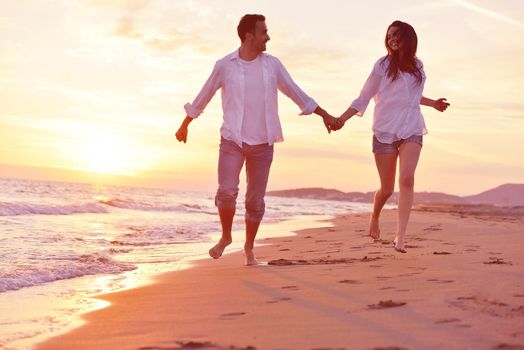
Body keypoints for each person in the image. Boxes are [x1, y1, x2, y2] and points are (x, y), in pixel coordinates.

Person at [175, 14, 336, 265]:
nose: (268, 37)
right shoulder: (224, 65)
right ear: (249, 35)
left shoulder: (272, 65)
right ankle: (227, 237)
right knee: (227, 192)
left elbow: (296, 92)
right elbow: (204, 95)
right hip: (233, 140)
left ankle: (249, 248)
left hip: (263, 143)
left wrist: (324, 114)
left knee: (254, 200)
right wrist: (185, 124)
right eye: (264, 32)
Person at [333, 20, 449, 253]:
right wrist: (342, 119)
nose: (391, 39)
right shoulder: (381, 66)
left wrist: (432, 103)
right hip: (385, 131)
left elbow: (412, 96)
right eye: (388, 36)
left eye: (396, 35)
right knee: (386, 189)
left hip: (412, 129)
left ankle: (400, 236)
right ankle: (374, 215)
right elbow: (363, 97)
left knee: (407, 179)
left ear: (408, 38)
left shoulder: (418, 66)